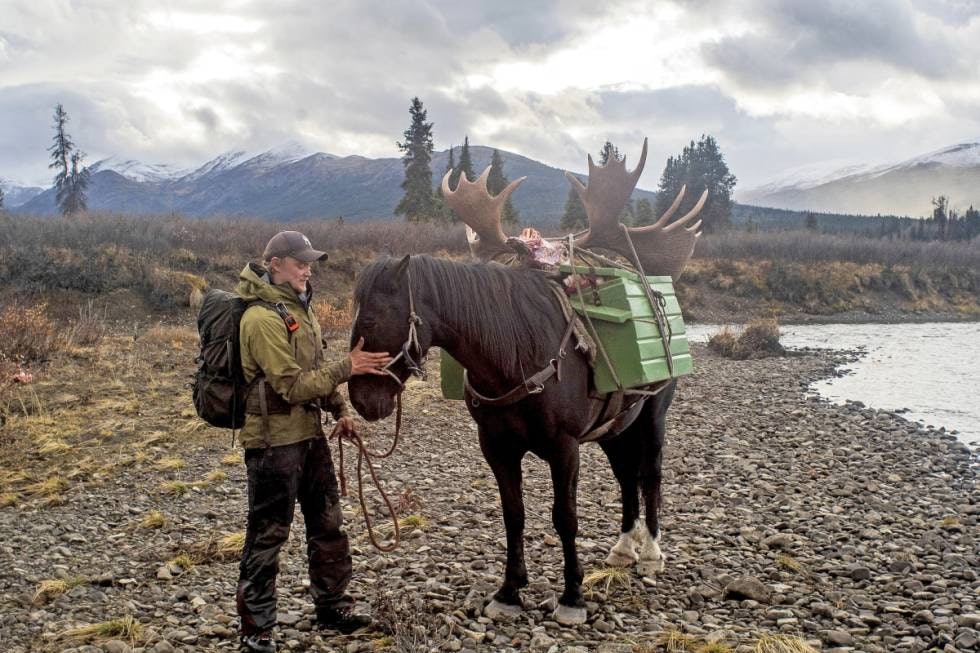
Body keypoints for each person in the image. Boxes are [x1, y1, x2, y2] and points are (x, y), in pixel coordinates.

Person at [234, 230, 392, 653]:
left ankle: (333, 607)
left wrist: (340, 412)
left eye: (309, 262)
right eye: (299, 262)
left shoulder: (299, 310)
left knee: (328, 525)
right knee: (269, 535)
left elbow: (314, 370)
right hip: (273, 445)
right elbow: (289, 386)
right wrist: (350, 366)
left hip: (309, 436)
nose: (307, 269)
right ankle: (256, 630)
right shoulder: (262, 319)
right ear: (275, 265)